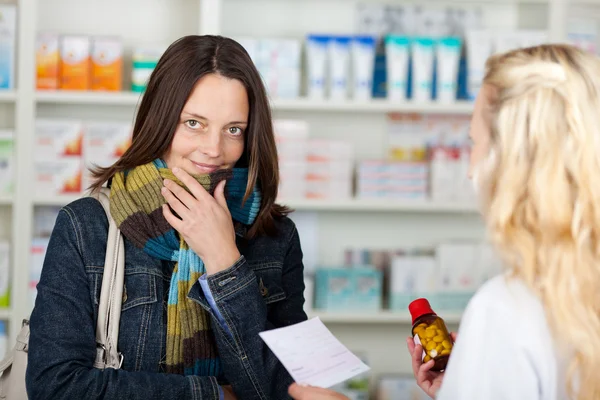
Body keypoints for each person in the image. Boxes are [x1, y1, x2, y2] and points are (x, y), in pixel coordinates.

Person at [289, 43, 600, 400]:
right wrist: (466, 383)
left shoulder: (506, 308)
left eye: (475, 144)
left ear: (512, 162)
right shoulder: (574, 294)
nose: (469, 171)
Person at [26, 35, 307, 400]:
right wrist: (214, 396)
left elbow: (293, 391)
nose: (213, 148)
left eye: (233, 129)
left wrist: (225, 262)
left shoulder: (276, 237)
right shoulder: (86, 227)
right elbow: (55, 387)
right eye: (194, 123)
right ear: (160, 118)